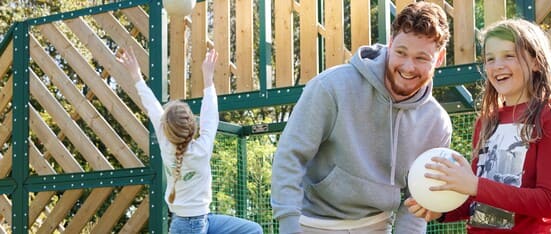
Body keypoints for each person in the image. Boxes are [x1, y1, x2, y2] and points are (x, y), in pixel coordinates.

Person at [270, 2, 453, 233]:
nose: (408, 66)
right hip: (310, 222)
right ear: (390, 44)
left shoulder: (437, 123)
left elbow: (415, 201)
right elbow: (290, 155)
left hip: (376, 224)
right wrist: (289, 224)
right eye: (401, 52)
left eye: (421, 58)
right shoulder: (331, 87)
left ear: (439, 59)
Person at [404, 18, 551, 233]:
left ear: (536, 62)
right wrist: (441, 212)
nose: (497, 65)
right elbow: (480, 203)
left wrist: (475, 185)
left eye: (509, 55)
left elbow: (549, 202)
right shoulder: (486, 122)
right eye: (490, 59)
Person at [117, 48, 263, 234]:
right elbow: (210, 115)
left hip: (201, 220)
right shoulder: (200, 151)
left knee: (253, 230)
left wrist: (136, 75)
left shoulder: (166, 143)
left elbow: (152, 106)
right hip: (189, 226)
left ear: (166, 129)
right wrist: (208, 77)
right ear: (193, 126)